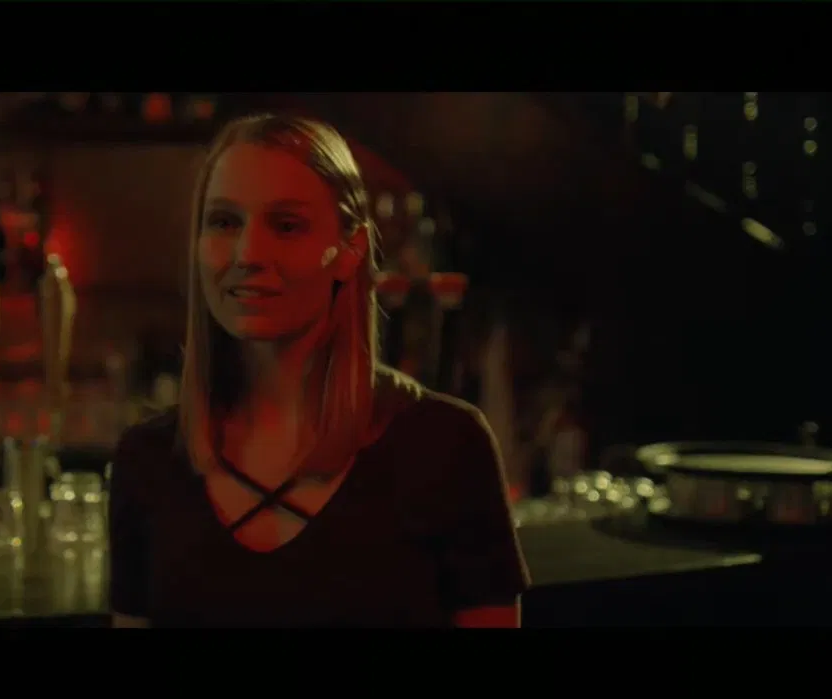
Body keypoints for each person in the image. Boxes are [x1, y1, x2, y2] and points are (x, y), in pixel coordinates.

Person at [108, 115, 529, 628]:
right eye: (224, 222)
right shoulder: (147, 460)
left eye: (286, 225)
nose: (248, 253)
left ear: (351, 251)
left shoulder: (446, 446)